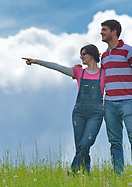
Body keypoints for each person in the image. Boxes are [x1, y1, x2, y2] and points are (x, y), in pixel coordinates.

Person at [22, 44, 105, 174]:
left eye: (83, 54)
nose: (81, 57)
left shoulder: (104, 74)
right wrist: (37, 61)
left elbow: (118, 80)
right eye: (80, 54)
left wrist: (131, 83)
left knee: (85, 144)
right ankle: (85, 174)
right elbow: (57, 67)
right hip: (79, 113)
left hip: (96, 113)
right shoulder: (79, 72)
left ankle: (72, 172)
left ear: (92, 55)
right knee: (81, 147)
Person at [100, 19, 132, 175]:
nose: (101, 32)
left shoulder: (128, 50)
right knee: (114, 142)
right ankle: (118, 176)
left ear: (114, 32)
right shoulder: (104, 56)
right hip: (109, 103)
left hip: (128, 102)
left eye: (104, 30)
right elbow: (103, 77)